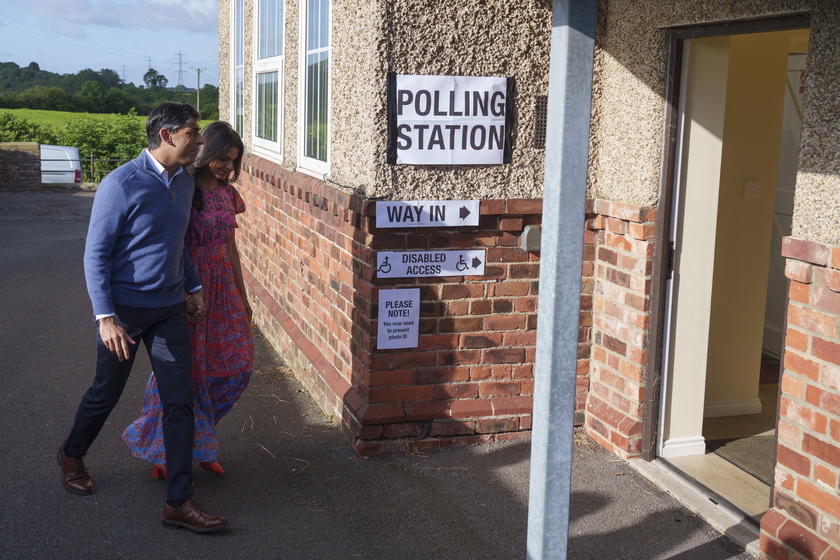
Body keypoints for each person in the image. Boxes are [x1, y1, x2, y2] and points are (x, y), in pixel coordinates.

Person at [58, 102, 228, 533]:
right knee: (105, 393)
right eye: (194, 132)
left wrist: (192, 287)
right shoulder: (121, 183)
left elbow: (180, 244)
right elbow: (95, 253)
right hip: (126, 314)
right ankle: (72, 453)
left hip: (170, 308)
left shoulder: (186, 183)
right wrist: (106, 317)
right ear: (168, 135)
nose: (201, 140)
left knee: (179, 401)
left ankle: (179, 501)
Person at [122, 121, 254, 479]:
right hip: (189, 288)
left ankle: (200, 438)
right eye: (223, 159)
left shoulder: (228, 194)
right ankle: (164, 447)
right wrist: (181, 289)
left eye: (234, 161)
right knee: (186, 373)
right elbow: (171, 242)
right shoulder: (184, 187)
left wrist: (243, 297)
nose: (228, 167)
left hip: (223, 286)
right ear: (206, 152)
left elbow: (230, 245)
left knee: (236, 366)